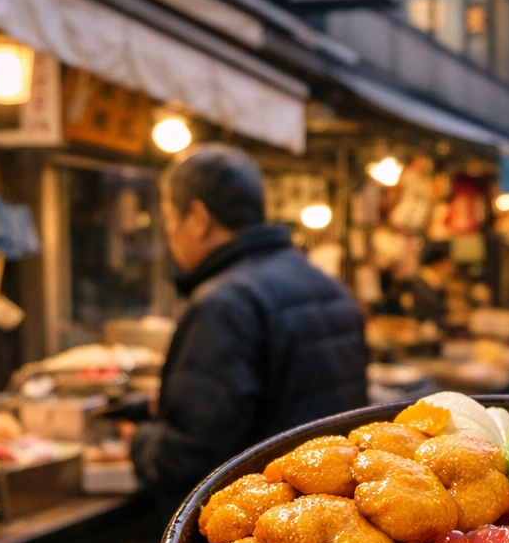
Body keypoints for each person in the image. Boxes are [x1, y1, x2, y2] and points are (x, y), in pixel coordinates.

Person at [128, 145, 367, 509]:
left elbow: (193, 457)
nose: (170, 234)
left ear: (198, 217)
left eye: (169, 219)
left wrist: (137, 440)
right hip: (335, 509)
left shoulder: (223, 302)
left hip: (264, 523)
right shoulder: (328, 284)